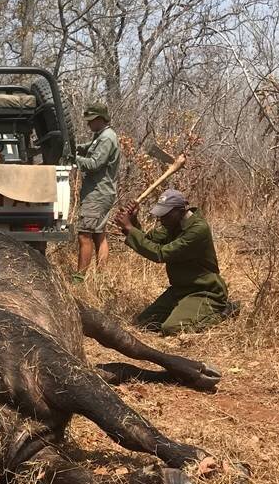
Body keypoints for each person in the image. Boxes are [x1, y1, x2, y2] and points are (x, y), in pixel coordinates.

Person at [115, 189, 230, 336]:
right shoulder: (171, 225)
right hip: (180, 289)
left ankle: (224, 311)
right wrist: (132, 223)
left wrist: (129, 228)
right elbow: (148, 241)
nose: (161, 219)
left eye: (165, 215)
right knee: (145, 323)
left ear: (179, 211)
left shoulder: (197, 230)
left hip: (204, 291)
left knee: (172, 328)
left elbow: (160, 254)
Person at [74, 102, 120, 280]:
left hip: (98, 193)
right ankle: (101, 278)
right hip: (100, 192)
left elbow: (94, 164)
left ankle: (79, 278)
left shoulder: (107, 138)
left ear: (101, 119)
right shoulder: (100, 136)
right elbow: (89, 146)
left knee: (85, 234)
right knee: (99, 235)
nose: (88, 124)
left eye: (91, 120)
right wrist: (76, 147)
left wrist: (74, 158)